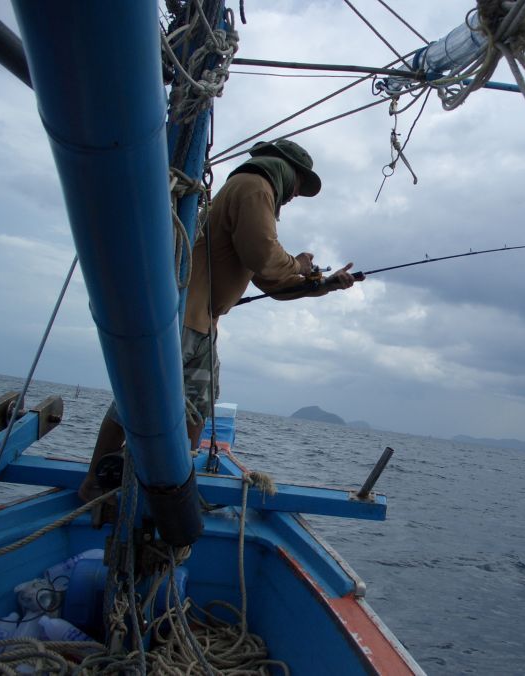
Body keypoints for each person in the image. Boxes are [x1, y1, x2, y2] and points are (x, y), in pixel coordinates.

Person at [78, 139, 357, 502]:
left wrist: (324, 286)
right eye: (296, 189)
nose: (292, 198)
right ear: (286, 171)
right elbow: (264, 257)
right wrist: (301, 265)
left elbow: (271, 282)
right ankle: (93, 483)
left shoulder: (257, 194)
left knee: (198, 406)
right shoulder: (255, 188)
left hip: (203, 326)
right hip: (178, 321)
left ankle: (173, 492)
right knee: (135, 401)